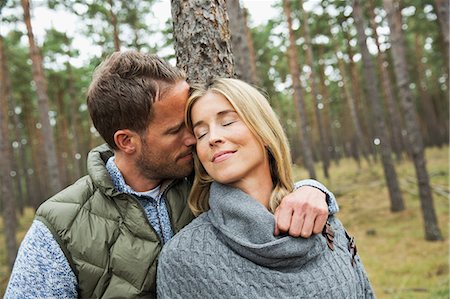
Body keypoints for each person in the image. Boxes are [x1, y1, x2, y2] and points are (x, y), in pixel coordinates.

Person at [5, 51, 338, 299]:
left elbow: (267, 179)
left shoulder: (204, 176)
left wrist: (314, 190)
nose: (196, 139)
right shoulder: (61, 228)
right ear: (127, 142)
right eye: (178, 130)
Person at [157, 78, 375, 298]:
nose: (213, 138)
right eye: (201, 134)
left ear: (263, 130)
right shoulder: (184, 258)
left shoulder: (322, 219)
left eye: (228, 122)